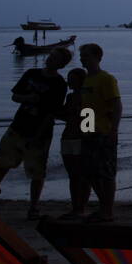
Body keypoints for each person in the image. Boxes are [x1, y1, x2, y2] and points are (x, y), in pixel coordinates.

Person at [0, 46, 72, 219]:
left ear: (61, 64)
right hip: (18, 125)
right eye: (51, 55)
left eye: (55, 58)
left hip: (39, 131)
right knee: (4, 160)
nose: (50, 59)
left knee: (37, 170)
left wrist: (39, 133)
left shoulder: (59, 84)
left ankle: (33, 206)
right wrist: (28, 98)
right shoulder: (31, 74)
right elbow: (15, 96)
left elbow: (52, 112)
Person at [78, 43, 122, 223]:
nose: (82, 59)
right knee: (89, 172)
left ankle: (108, 210)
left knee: (106, 173)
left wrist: (113, 130)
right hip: (89, 131)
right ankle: (104, 206)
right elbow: (87, 107)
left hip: (104, 132)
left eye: (86, 56)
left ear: (97, 57)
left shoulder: (106, 79)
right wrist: (85, 129)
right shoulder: (86, 80)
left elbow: (116, 105)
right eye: (82, 56)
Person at [57, 68, 91, 220]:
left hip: (80, 138)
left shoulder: (87, 97)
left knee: (82, 175)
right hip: (67, 137)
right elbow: (65, 116)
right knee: (72, 175)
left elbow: (88, 121)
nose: (69, 81)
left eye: (72, 78)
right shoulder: (70, 97)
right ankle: (76, 207)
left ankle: (81, 207)